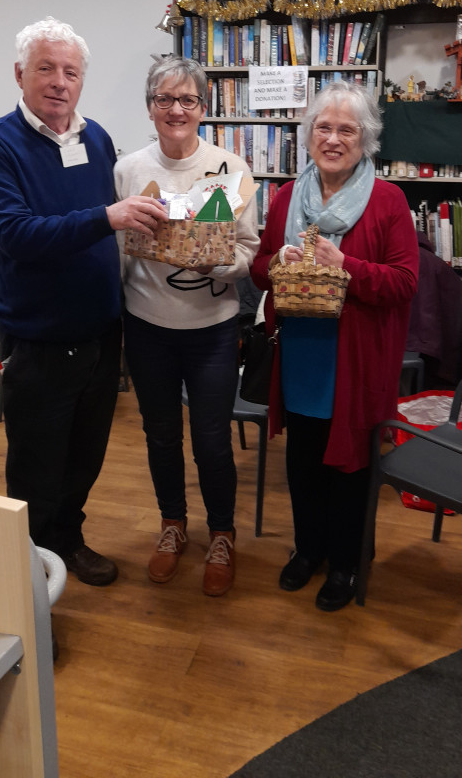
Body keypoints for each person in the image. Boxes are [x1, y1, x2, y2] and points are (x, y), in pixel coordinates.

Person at [0, 16, 168, 587]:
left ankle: (67, 541)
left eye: (71, 71)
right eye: (46, 69)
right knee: (34, 468)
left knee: (84, 457)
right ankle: (28, 587)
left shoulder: (96, 138)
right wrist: (107, 218)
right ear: (20, 75)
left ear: (82, 80)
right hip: (36, 337)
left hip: (101, 332)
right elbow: (16, 235)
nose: (59, 82)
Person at [250, 80, 418, 612]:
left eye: (347, 129)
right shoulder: (284, 198)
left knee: (350, 468)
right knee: (302, 462)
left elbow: (404, 283)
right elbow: (259, 269)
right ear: (308, 135)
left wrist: (345, 266)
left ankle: (347, 562)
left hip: (358, 361)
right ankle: (308, 550)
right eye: (324, 127)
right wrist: (279, 264)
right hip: (299, 354)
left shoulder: (388, 201)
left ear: (365, 138)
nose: (334, 138)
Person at [114, 55, 260, 596]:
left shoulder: (231, 168)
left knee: (212, 441)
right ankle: (172, 525)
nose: (176, 109)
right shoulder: (128, 170)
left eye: (188, 100)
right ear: (150, 108)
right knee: (159, 435)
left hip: (213, 328)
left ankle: (222, 532)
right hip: (147, 324)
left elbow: (247, 250)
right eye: (164, 100)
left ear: (204, 107)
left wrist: (216, 264)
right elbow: (119, 251)